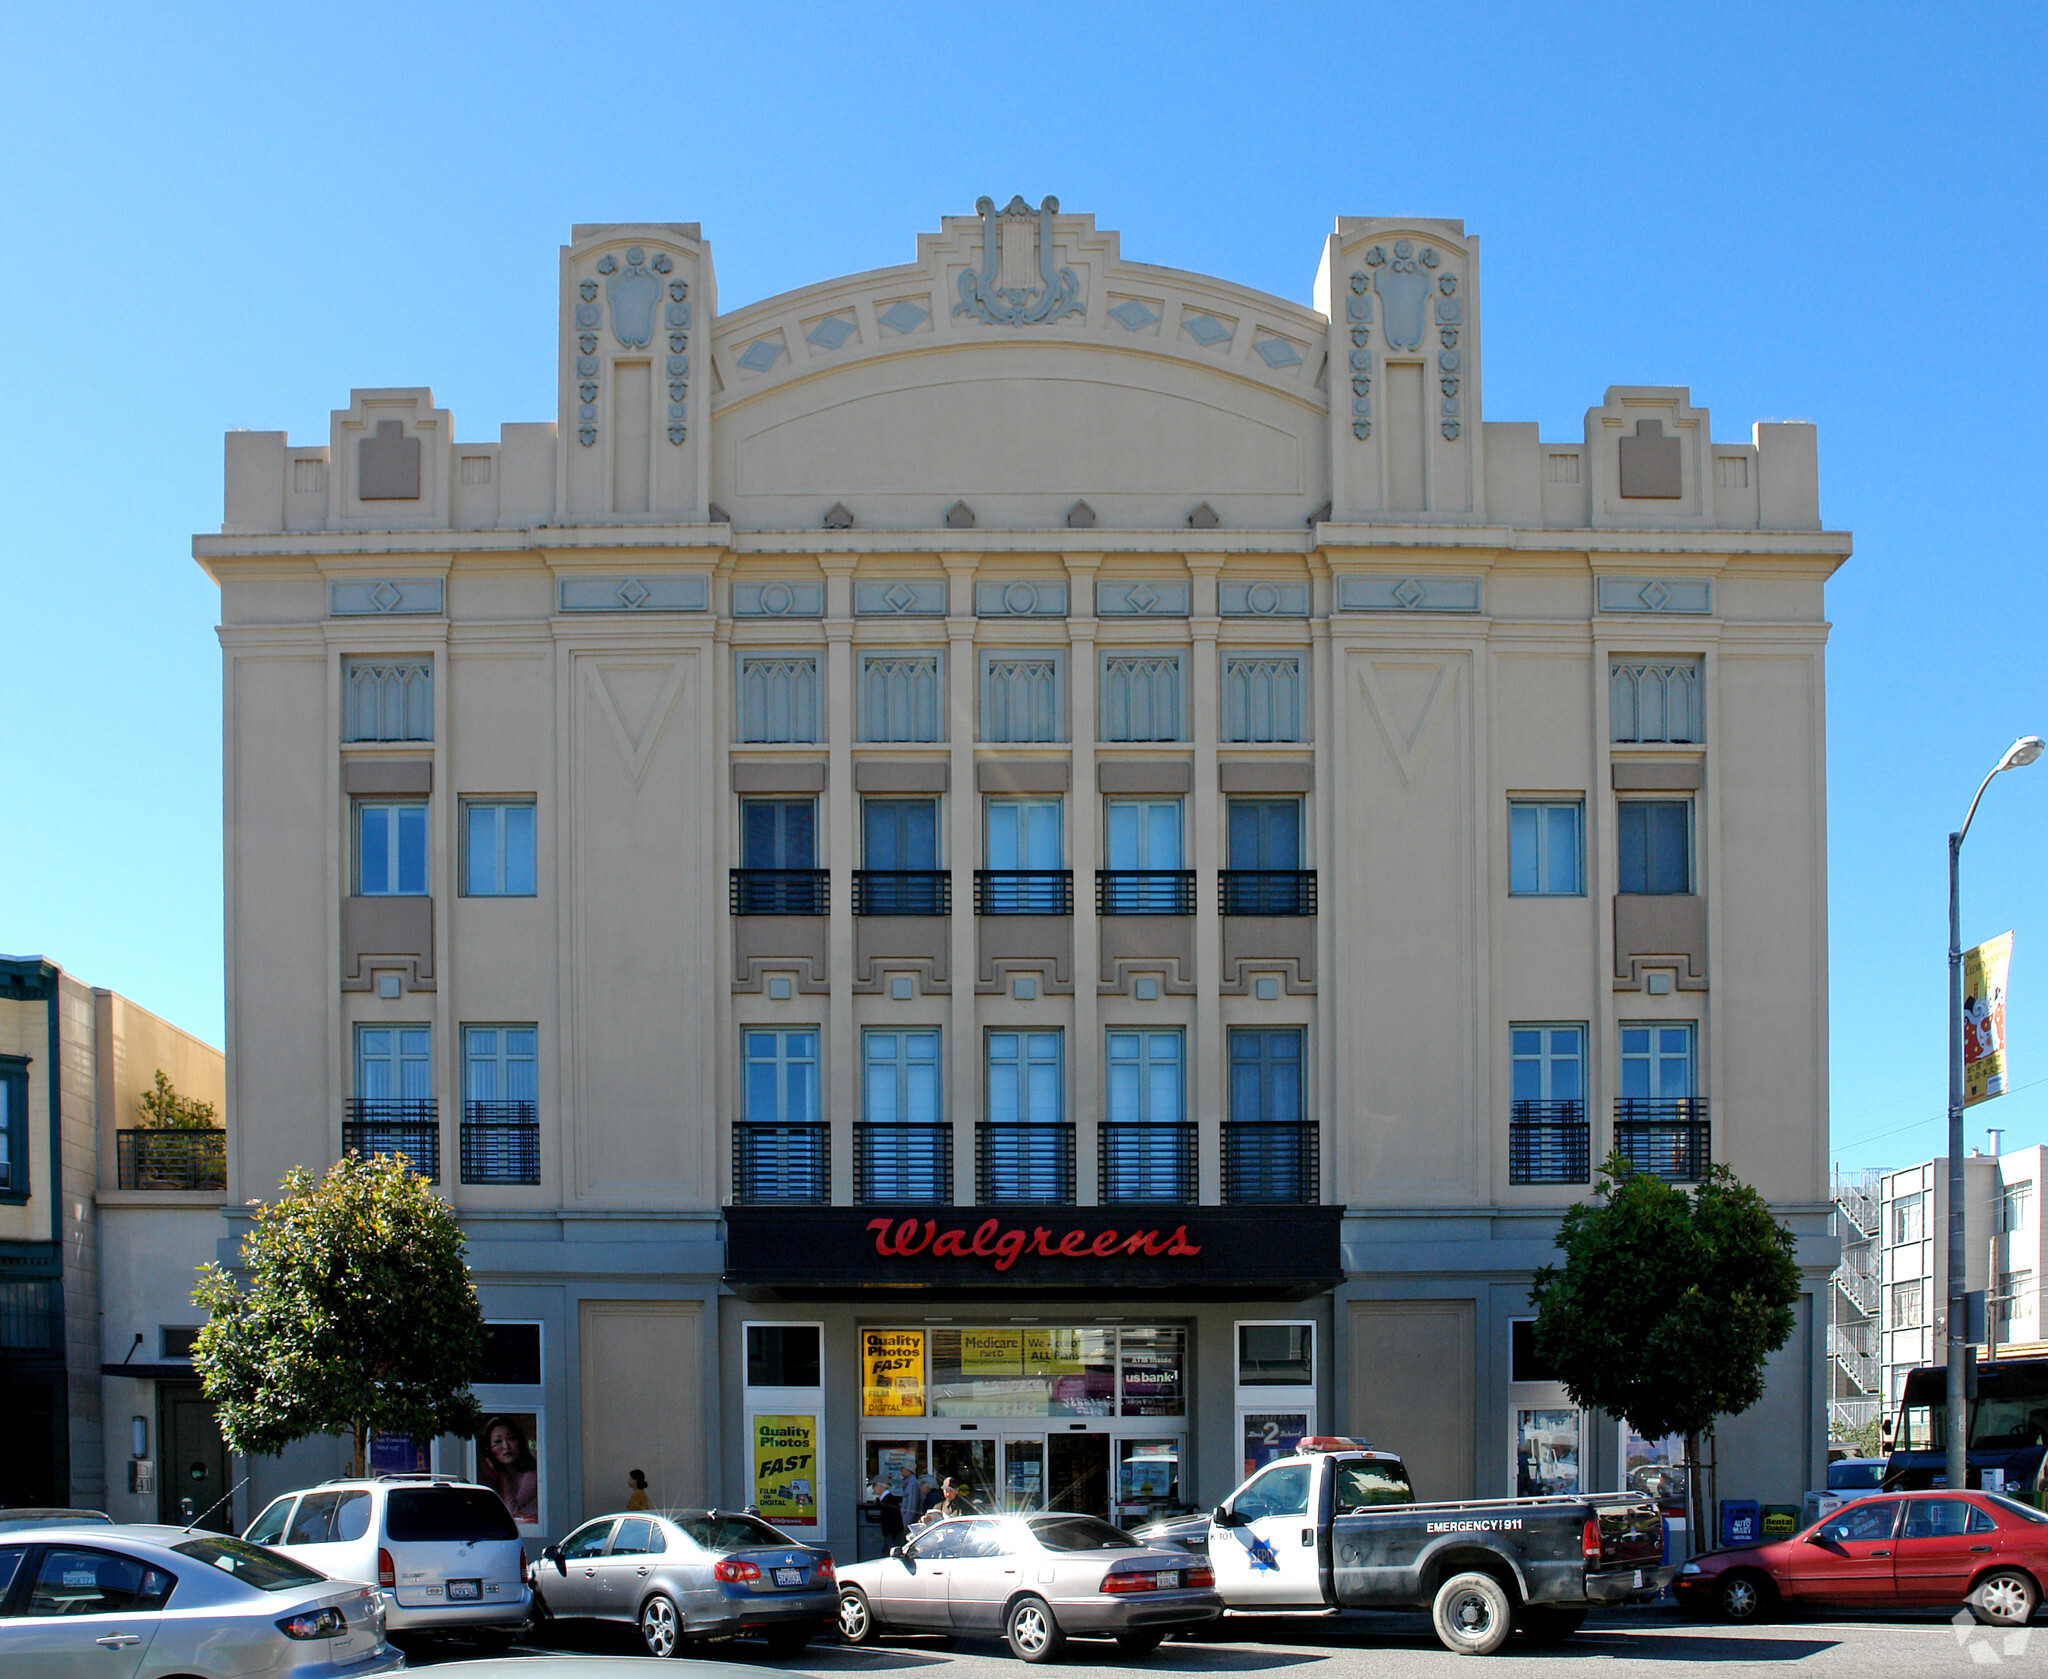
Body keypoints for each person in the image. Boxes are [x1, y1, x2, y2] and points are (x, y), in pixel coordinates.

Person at [476, 1415, 538, 1523]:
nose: (506, 1446)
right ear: (488, 1448)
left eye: (511, 1438)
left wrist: (502, 1477)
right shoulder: (486, 1476)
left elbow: (513, 1511)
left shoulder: (530, 1476)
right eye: (497, 1442)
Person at [872, 1480, 905, 1544]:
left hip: (892, 1535)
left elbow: (892, 1520)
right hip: (892, 1534)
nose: (873, 1488)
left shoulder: (889, 1500)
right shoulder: (888, 1499)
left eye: (875, 1485)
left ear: (882, 1487)